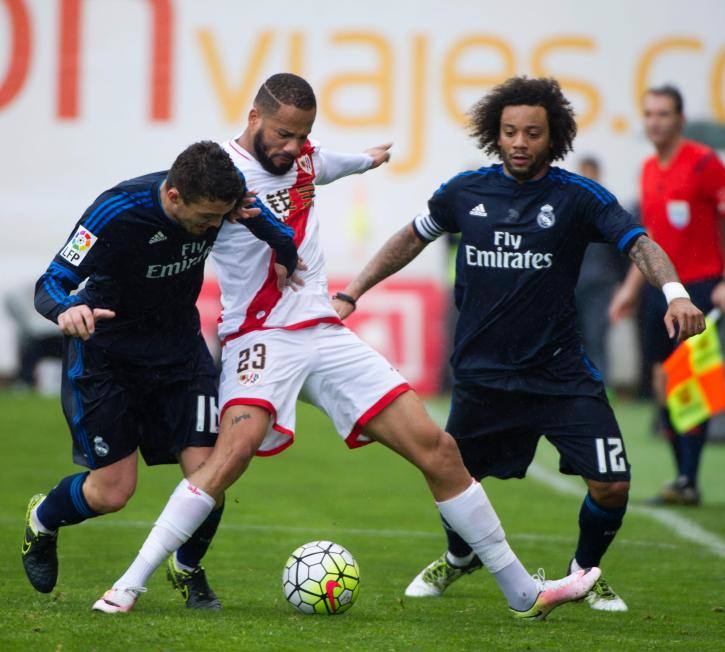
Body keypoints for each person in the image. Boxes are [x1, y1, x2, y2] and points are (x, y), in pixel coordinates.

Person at [94, 73, 599, 620]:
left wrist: (366, 158)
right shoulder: (219, 175)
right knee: (227, 460)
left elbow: (326, 164)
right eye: (284, 135)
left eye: (303, 136)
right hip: (259, 336)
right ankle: (127, 585)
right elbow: (166, 214)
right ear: (254, 118)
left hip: (324, 333)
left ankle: (524, 594)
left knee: (439, 450)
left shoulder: (303, 158)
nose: (293, 147)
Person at [331, 76, 706, 613]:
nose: (520, 142)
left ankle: (583, 572)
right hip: (484, 376)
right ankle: (460, 558)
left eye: (533, 132)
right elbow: (412, 237)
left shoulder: (578, 197)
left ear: (553, 137)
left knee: (613, 486)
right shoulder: (465, 192)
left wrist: (674, 293)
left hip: (559, 373)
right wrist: (351, 293)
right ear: (495, 134)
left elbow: (639, 243)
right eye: (510, 132)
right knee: (452, 477)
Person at [22, 141, 300, 610]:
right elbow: (51, 282)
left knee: (212, 475)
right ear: (173, 196)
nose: (213, 227)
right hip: (108, 357)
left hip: (179, 356)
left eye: (220, 216)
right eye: (205, 218)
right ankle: (43, 521)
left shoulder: (222, 202)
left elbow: (276, 230)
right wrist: (68, 309)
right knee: (112, 492)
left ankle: (188, 570)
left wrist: (285, 255)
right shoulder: (116, 210)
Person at [610, 85, 725, 506]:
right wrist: (631, 289)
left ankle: (688, 478)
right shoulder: (649, 168)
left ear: (679, 120)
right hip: (660, 291)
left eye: (664, 114)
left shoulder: (705, 163)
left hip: (701, 288)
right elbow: (648, 239)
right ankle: (681, 475)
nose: (655, 121)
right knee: (661, 383)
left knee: (689, 382)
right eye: (649, 114)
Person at [574, 157, 628, 381]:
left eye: (590, 173)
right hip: (574, 286)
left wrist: (622, 285)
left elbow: (622, 252)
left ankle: (602, 387)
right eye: (583, 174)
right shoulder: (571, 209)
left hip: (601, 286)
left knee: (597, 337)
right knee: (577, 339)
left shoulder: (609, 211)